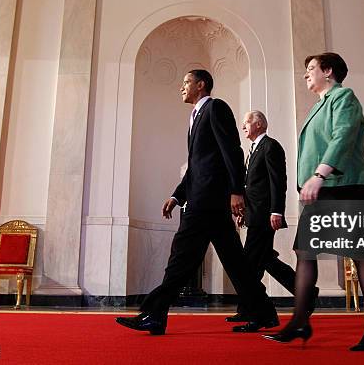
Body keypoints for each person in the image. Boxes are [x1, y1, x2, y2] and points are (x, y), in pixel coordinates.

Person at [115, 70, 278, 335]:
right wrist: (177, 195)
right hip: (204, 200)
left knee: (181, 258)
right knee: (236, 262)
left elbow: (233, 151)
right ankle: (265, 313)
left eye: (186, 83)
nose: (182, 88)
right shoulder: (195, 116)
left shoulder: (216, 108)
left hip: (208, 202)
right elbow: (197, 166)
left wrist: (236, 191)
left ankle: (154, 313)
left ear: (201, 85)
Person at [263, 53, 364, 350]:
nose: (306, 74)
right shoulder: (319, 105)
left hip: (345, 186)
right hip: (323, 190)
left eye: (311, 69)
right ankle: (299, 321)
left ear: (328, 71)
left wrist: (319, 174)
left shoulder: (344, 96)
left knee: (362, 256)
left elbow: (343, 135)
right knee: (304, 252)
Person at [226, 111, 301, 323]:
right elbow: (251, 187)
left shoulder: (271, 146)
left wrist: (277, 211)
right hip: (254, 214)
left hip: (265, 216)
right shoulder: (252, 149)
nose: (243, 127)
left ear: (258, 124)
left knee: (248, 263)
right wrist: (244, 212)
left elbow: (278, 182)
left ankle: (250, 310)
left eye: (246, 123)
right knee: (263, 260)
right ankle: (305, 293)